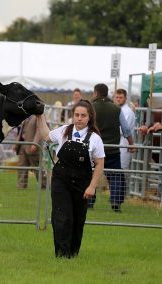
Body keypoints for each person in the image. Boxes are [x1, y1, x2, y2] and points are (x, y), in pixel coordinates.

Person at [36, 100, 105, 258]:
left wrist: (92, 186)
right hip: (61, 179)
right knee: (61, 216)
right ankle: (61, 254)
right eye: (76, 115)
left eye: (83, 115)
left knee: (77, 218)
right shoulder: (63, 131)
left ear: (89, 118)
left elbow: (100, 163)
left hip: (82, 181)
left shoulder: (95, 139)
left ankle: (72, 253)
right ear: (73, 116)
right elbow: (46, 136)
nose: (79, 118)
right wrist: (40, 116)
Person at [92, 83, 134, 212]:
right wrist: (131, 144)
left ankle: (89, 202)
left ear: (96, 93)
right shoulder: (116, 109)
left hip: (94, 149)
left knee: (91, 174)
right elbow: (126, 129)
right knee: (115, 175)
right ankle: (116, 201)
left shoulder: (91, 108)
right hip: (112, 148)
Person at [15, 115, 46, 189]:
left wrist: (35, 143)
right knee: (22, 166)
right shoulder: (26, 115)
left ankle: (44, 185)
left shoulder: (39, 116)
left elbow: (39, 131)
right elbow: (22, 131)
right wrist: (16, 143)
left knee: (37, 167)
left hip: (33, 145)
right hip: (23, 144)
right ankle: (21, 186)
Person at [113, 89, 136, 170]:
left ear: (125, 98)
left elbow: (124, 129)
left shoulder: (128, 112)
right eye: (117, 97)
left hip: (123, 143)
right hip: (117, 143)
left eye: (121, 97)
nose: (118, 99)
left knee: (122, 170)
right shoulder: (116, 109)